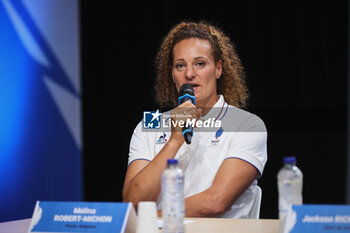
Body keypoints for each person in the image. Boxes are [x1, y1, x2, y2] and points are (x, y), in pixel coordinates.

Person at [122, 21, 267, 218]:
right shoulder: (149, 125)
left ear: (218, 69)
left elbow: (215, 202)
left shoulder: (248, 125)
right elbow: (133, 202)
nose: (189, 74)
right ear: (172, 74)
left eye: (200, 63)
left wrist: (153, 217)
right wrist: (174, 141)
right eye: (180, 66)